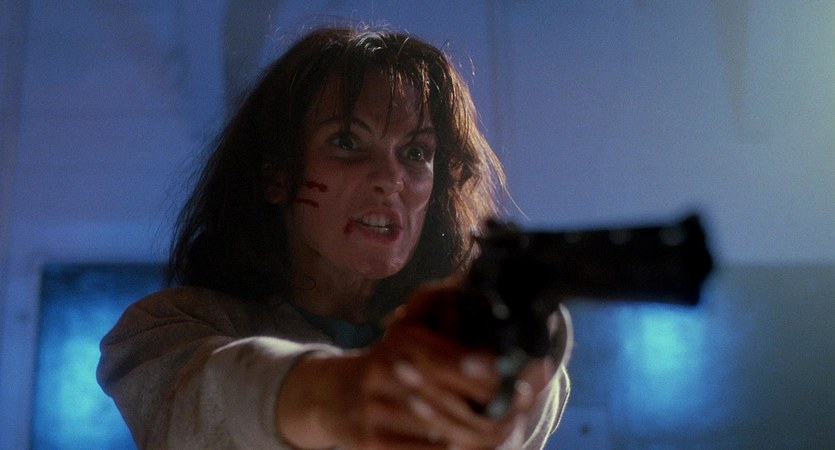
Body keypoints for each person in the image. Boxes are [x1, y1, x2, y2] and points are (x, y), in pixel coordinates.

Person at [97, 24, 571, 450]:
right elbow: (210, 400)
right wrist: (348, 393)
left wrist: (520, 337)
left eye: (416, 152)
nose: (390, 179)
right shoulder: (168, 327)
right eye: (347, 142)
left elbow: (523, 413)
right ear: (277, 176)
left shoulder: (460, 329)